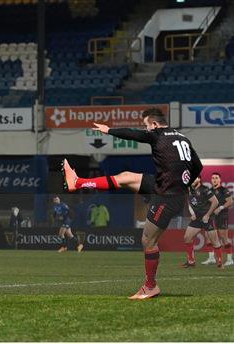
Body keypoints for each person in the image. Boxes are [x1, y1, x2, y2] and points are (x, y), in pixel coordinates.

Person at [62, 108, 203, 299]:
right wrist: (186, 183)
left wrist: (108, 130)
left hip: (168, 197)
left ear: (154, 124)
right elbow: (198, 166)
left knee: (148, 241)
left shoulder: (157, 134)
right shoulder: (183, 138)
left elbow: (133, 135)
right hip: (164, 187)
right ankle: (77, 183)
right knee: (126, 177)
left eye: (146, 125)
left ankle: (151, 286)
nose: (146, 129)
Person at [182, 176, 222, 268]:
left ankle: (220, 262)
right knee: (187, 238)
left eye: (194, 178)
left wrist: (207, 215)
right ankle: (191, 261)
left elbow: (215, 202)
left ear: (199, 179)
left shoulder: (204, 189)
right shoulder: (189, 190)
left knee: (214, 241)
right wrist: (192, 213)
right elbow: (190, 203)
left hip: (207, 219)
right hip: (197, 219)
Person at [202, 172, 233, 266]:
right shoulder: (209, 191)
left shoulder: (224, 190)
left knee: (224, 238)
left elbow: (230, 201)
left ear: (220, 180)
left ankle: (230, 259)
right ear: (211, 180)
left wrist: (220, 208)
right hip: (211, 216)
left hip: (222, 216)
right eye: (213, 178)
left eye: (216, 178)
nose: (214, 179)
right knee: (208, 237)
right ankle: (211, 258)